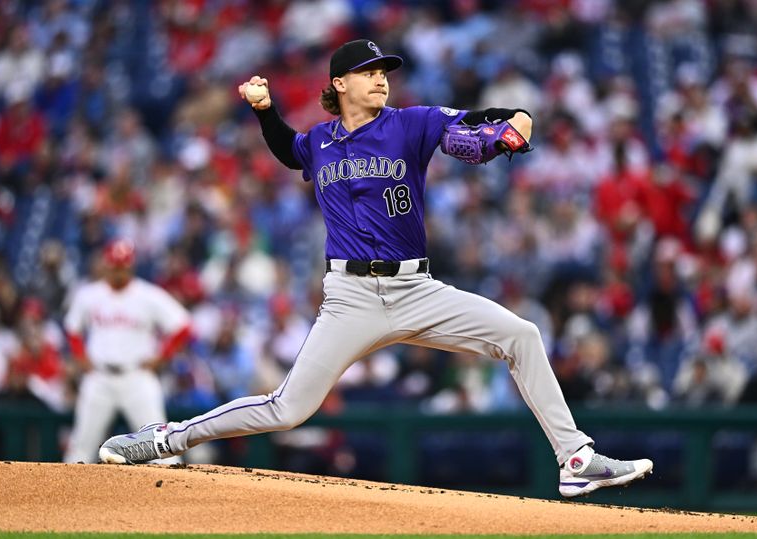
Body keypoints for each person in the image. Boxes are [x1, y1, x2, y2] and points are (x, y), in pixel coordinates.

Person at [99, 39, 652, 498]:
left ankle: (575, 458)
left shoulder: (409, 123)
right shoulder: (319, 141)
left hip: (416, 287)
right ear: (339, 83)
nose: (381, 78)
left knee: (522, 335)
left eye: (384, 70)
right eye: (368, 71)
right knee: (287, 408)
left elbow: (469, 129)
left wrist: (516, 121)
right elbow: (289, 150)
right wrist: (265, 110)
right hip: (350, 297)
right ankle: (167, 438)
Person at [63, 239, 191, 463]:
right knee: (81, 446)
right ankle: (62, 497)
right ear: (106, 265)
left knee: (160, 445)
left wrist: (161, 357)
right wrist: (81, 357)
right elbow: (72, 328)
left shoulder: (148, 295)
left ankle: (173, 495)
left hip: (137, 377)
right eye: (114, 266)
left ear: (130, 266)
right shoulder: (89, 294)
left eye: (122, 267)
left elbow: (183, 325)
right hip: (99, 377)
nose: (118, 272)